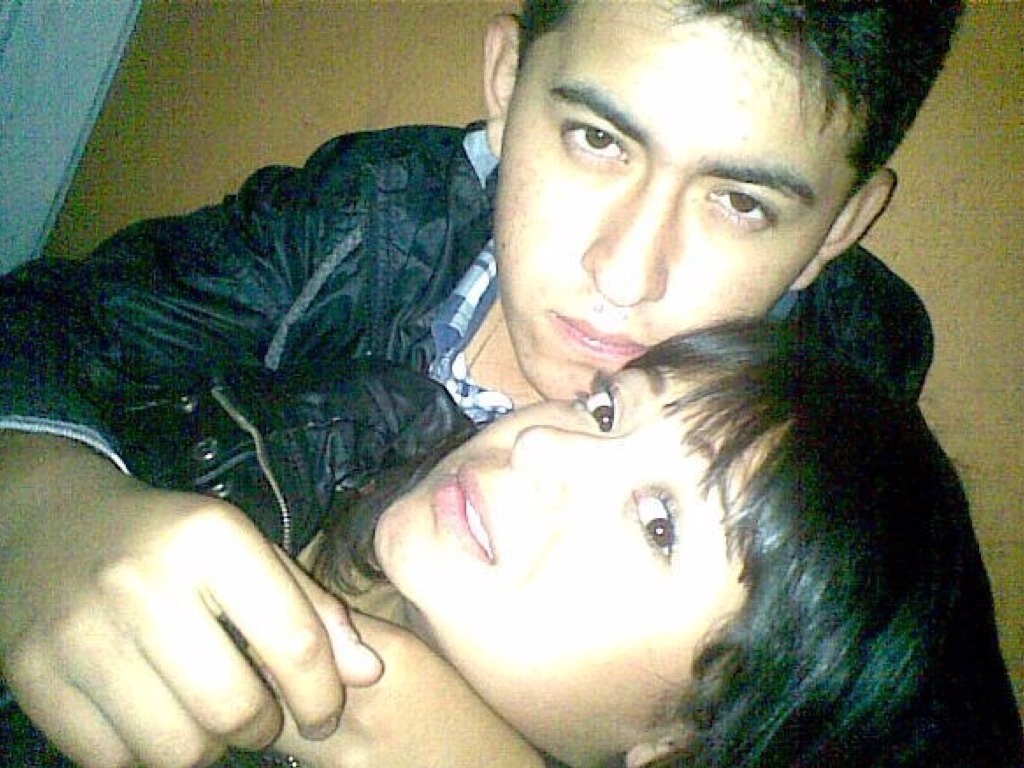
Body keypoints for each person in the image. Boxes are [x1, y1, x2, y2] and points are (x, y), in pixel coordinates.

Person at [0, 2, 974, 766]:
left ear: (840, 226)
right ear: (506, 87)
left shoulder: (855, 429)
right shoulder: (372, 211)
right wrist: (40, 500)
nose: (623, 273)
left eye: (740, 201)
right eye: (597, 139)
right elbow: (63, 322)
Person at [10, 322, 1021, 767]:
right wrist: (41, 490)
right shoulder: (346, 413)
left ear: (677, 747)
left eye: (659, 524)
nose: (540, 442)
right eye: (606, 408)